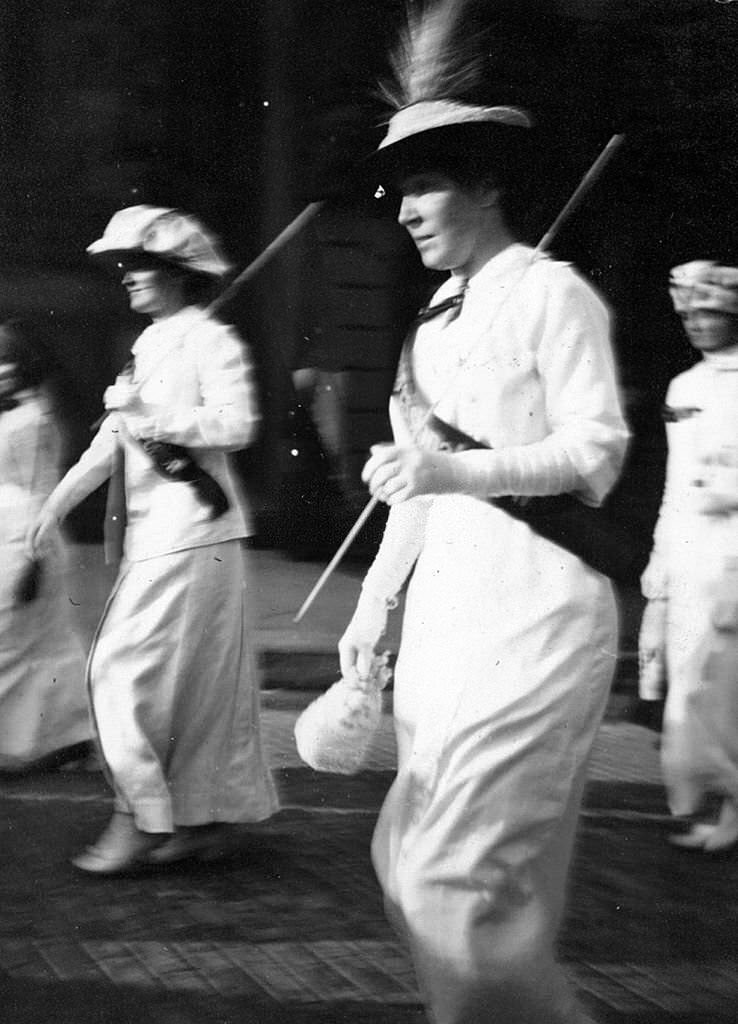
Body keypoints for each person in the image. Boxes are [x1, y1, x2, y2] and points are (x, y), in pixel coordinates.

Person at [336, 14, 629, 1024]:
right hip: (452, 627)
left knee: (456, 888)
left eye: (425, 185)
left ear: (487, 184)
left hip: (543, 613)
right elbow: (414, 487)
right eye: (398, 191)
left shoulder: (554, 296)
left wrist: (450, 472)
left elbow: (594, 459)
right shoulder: (430, 325)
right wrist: (376, 603)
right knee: (415, 863)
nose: (405, 211)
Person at [29, 205, 278, 872]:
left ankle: (138, 818)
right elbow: (113, 442)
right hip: (162, 537)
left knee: (120, 671)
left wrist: (152, 413)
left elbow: (239, 424)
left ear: (176, 272)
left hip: (197, 532)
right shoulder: (149, 344)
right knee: (193, 685)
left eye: (138, 265)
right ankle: (200, 822)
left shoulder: (211, 342)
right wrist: (54, 504)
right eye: (123, 267)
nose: (127, 278)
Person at [639, 260, 738, 853]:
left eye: (712, 312)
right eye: (689, 314)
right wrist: (660, 561)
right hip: (690, 556)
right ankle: (716, 803)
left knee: (727, 686)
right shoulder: (685, 388)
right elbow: (676, 484)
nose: (698, 324)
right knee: (691, 685)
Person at [0, 321, 91, 771]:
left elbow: (42, 489)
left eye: (7, 361)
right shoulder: (7, 413)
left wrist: (31, 562)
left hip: (24, 537)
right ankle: (39, 739)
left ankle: (60, 736)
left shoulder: (34, 419)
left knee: (20, 638)